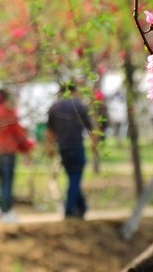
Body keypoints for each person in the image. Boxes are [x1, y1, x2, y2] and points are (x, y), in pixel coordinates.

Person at [46, 83, 94, 219]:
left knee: (73, 177)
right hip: (76, 146)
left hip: (63, 148)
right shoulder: (79, 106)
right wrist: (95, 146)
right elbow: (91, 129)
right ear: (74, 91)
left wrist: (50, 147)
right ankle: (69, 210)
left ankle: (82, 208)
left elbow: (49, 131)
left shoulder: (54, 108)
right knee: (75, 178)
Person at [0, 90, 33, 223]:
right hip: (7, 152)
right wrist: (27, 150)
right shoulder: (8, 113)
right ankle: (7, 211)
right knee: (7, 182)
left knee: (1, 181)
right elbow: (18, 135)